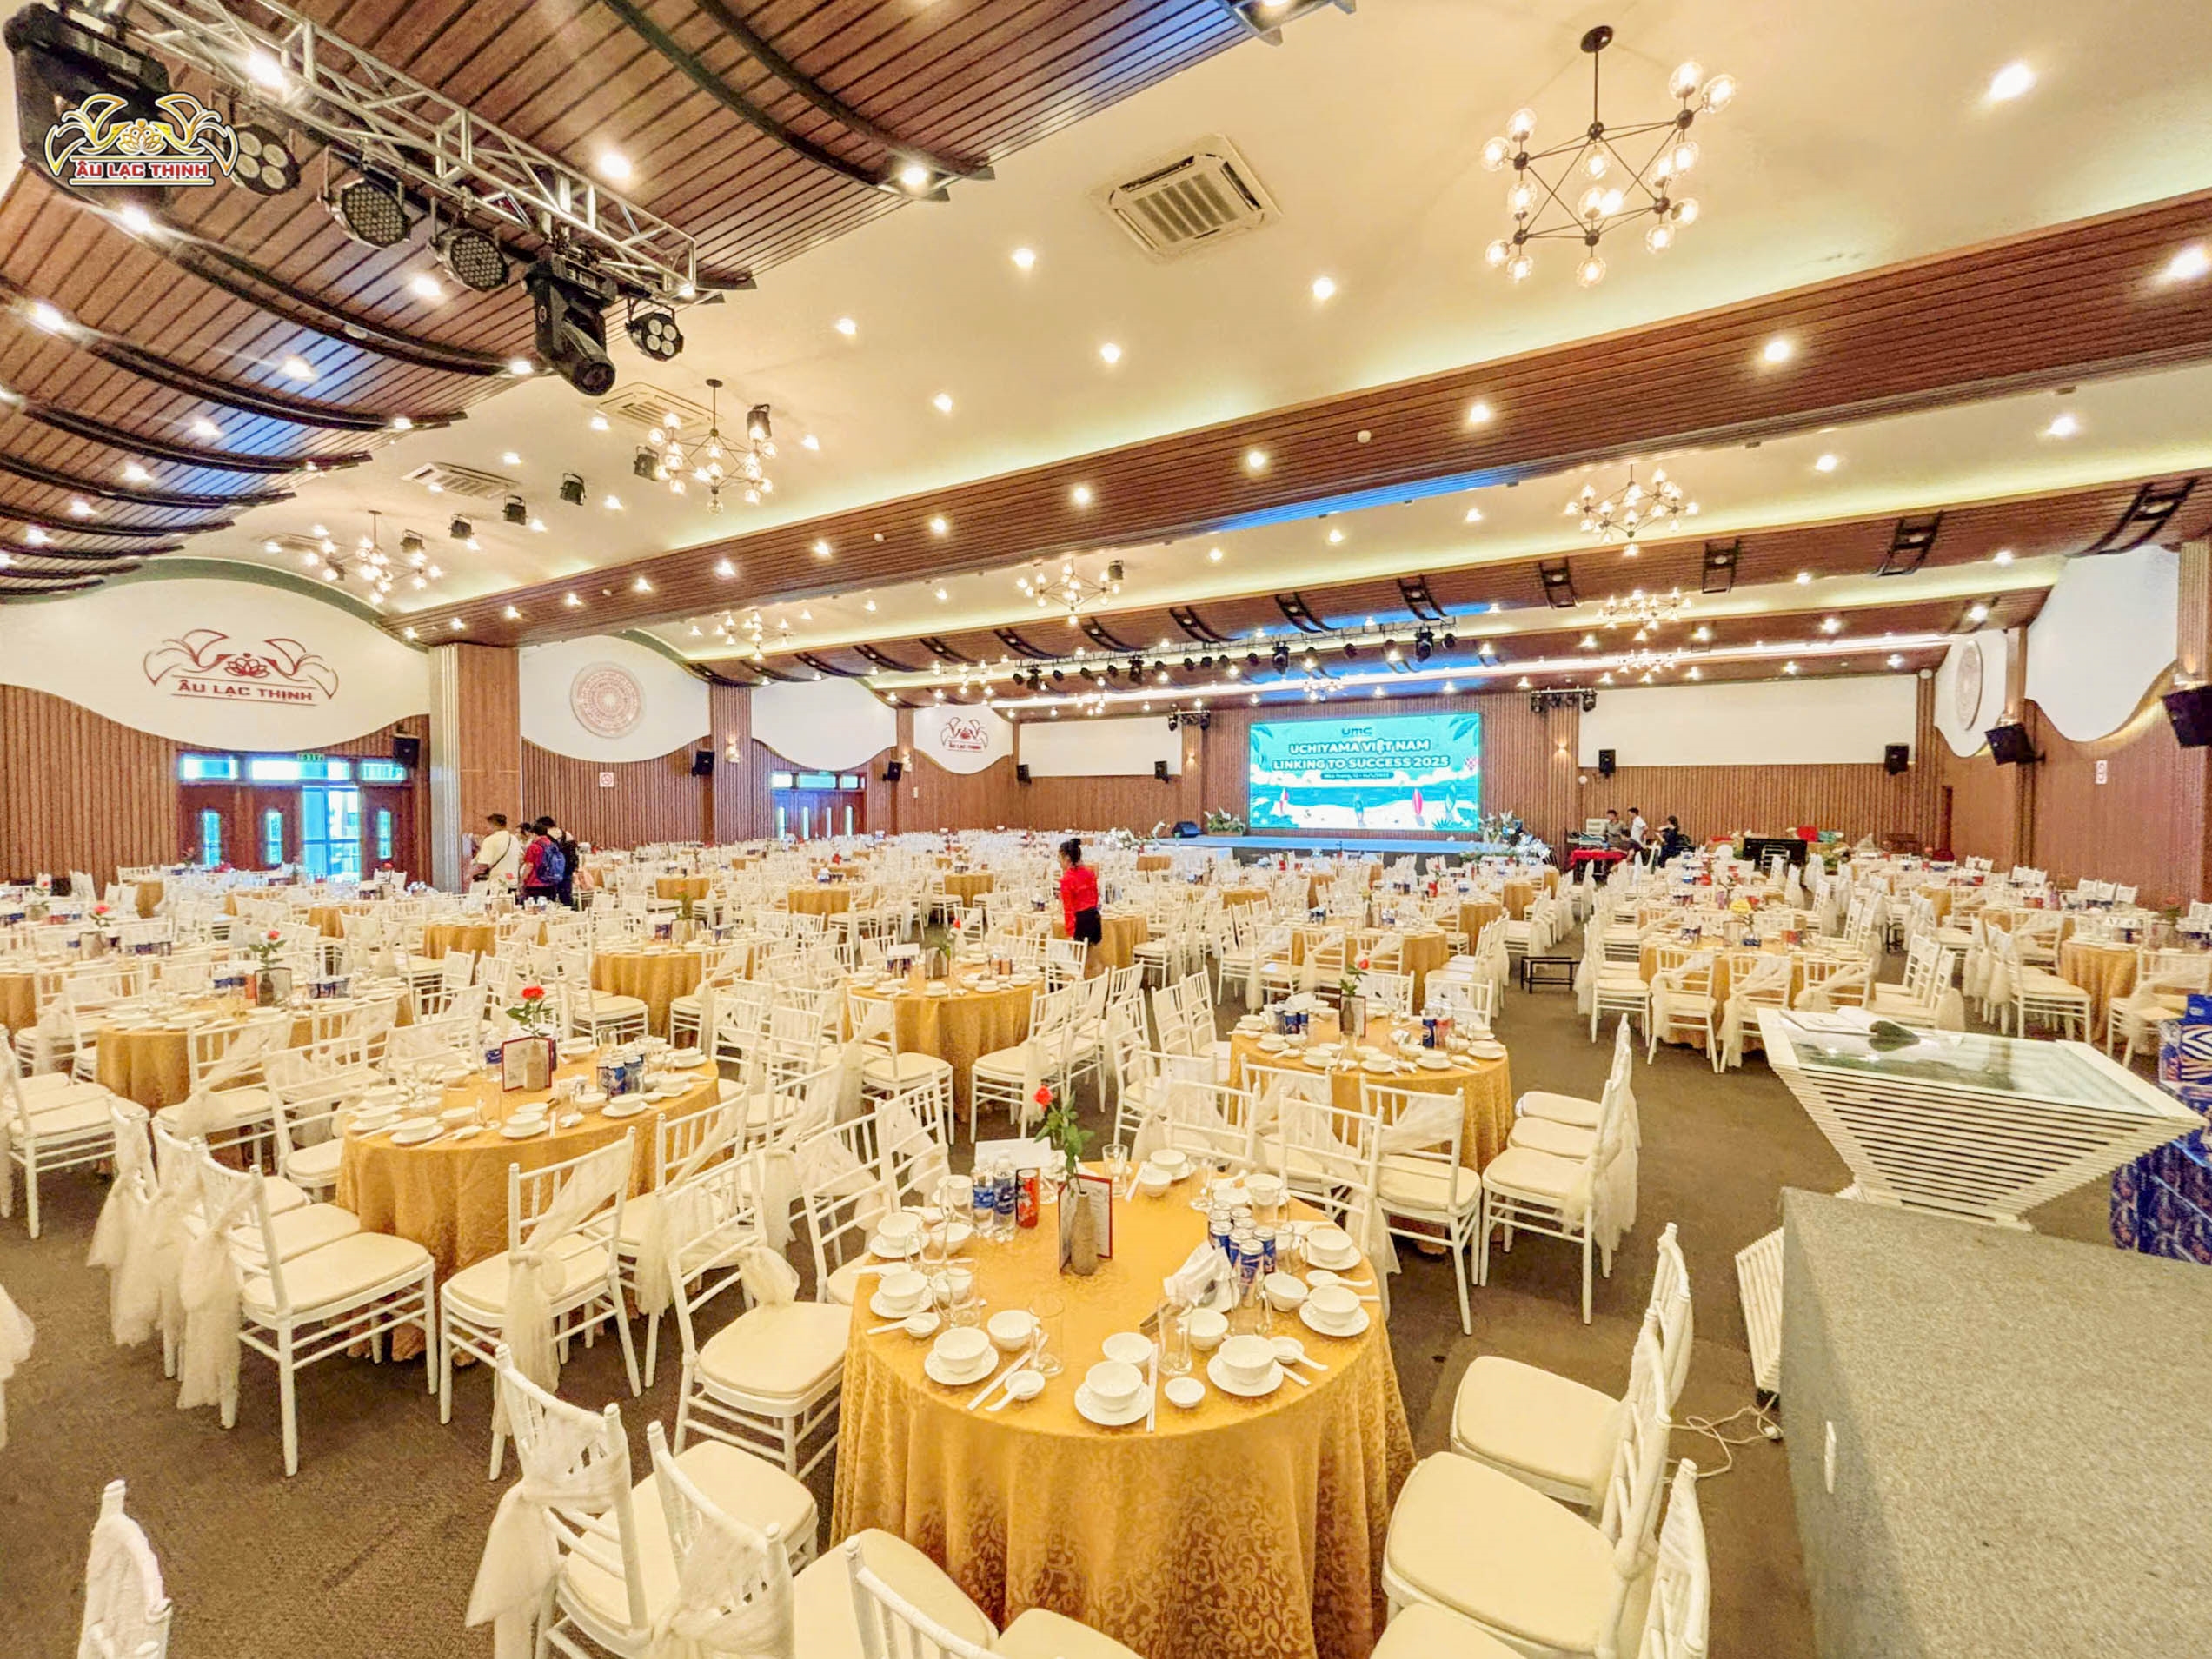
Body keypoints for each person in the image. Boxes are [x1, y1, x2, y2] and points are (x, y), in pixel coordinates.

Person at [1058, 838, 1102, 949]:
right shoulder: (1089, 873)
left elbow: (1069, 908)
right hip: (1094, 918)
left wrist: (1071, 932)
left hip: (1080, 923)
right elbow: (1095, 897)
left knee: (1078, 956)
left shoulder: (1067, 879)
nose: (1058, 861)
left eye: (1059, 858)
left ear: (1067, 859)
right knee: (1092, 955)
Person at [535, 814, 580, 907]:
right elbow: (574, 855)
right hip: (566, 872)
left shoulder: (544, 838)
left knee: (550, 901)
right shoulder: (567, 835)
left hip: (551, 874)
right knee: (566, 899)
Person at [469, 813, 520, 895]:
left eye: (487, 825)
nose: (485, 827)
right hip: (512, 882)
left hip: (496, 884)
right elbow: (521, 858)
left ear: (493, 825)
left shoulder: (490, 840)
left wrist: (470, 874)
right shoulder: (514, 839)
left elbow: (483, 865)